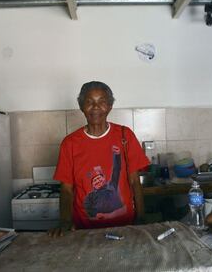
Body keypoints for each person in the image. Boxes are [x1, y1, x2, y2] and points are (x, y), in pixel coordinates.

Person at [48, 81, 150, 237]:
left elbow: (135, 181)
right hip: (85, 232)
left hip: (125, 228)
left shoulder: (125, 136)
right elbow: (66, 189)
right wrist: (65, 221)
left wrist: (141, 218)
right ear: (82, 107)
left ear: (109, 106)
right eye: (89, 102)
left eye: (101, 102)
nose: (95, 107)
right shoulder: (70, 143)